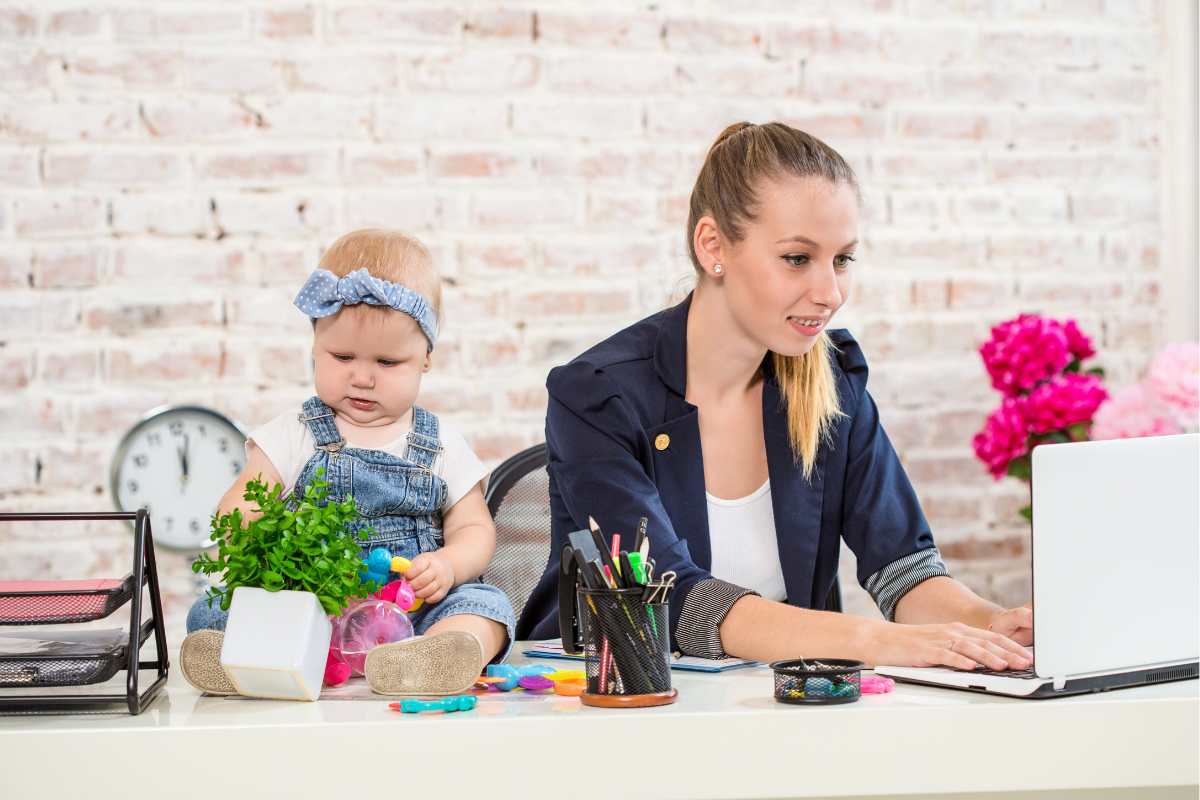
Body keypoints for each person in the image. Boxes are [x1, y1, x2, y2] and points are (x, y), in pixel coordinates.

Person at [519, 122, 1034, 671]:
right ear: (713, 246)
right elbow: (670, 600)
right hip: (610, 696)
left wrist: (991, 625)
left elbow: (903, 566)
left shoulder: (831, 384)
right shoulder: (596, 396)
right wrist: (876, 641)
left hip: (773, 702)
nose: (830, 293)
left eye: (842, 259)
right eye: (797, 258)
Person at [180, 229, 514, 697]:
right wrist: (247, 529)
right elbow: (240, 502)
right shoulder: (294, 433)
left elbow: (474, 528)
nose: (362, 377)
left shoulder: (442, 446)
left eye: (387, 362)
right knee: (212, 610)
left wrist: (448, 564)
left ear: (425, 358)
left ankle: (430, 658)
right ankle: (252, 659)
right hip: (307, 613)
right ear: (314, 345)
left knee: (487, 605)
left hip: (412, 614)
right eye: (342, 356)